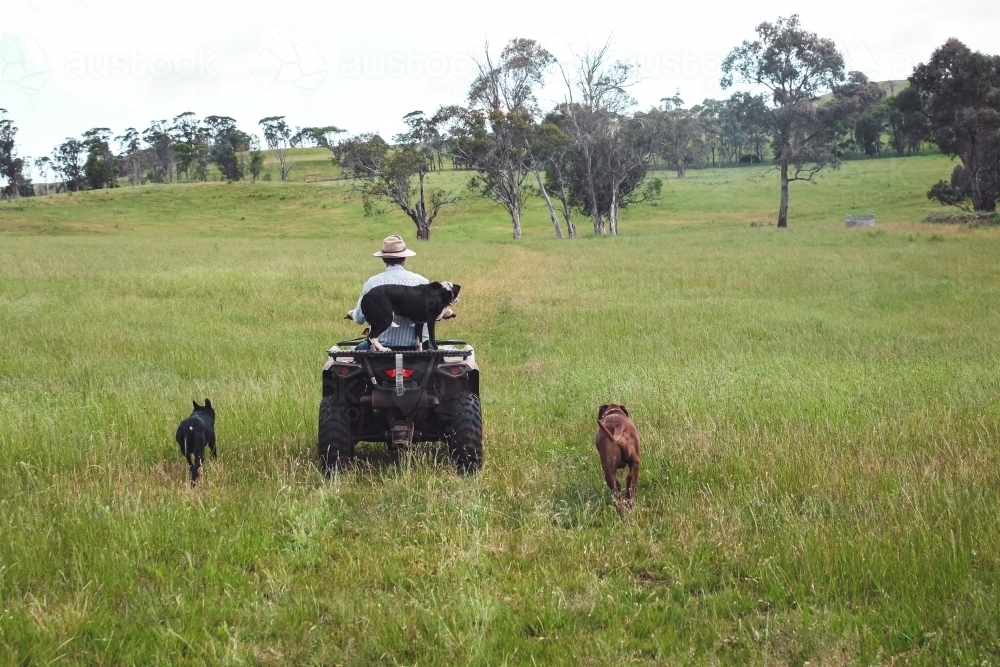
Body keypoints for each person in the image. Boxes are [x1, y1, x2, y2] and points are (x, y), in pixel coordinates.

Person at [346, 235, 453, 349]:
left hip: (379, 351)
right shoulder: (422, 282)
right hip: (419, 351)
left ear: (383, 259)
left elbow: (359, 318)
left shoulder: (373, 283)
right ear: (404, 258)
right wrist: (447, 311)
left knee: (354, 354)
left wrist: (351, 313)